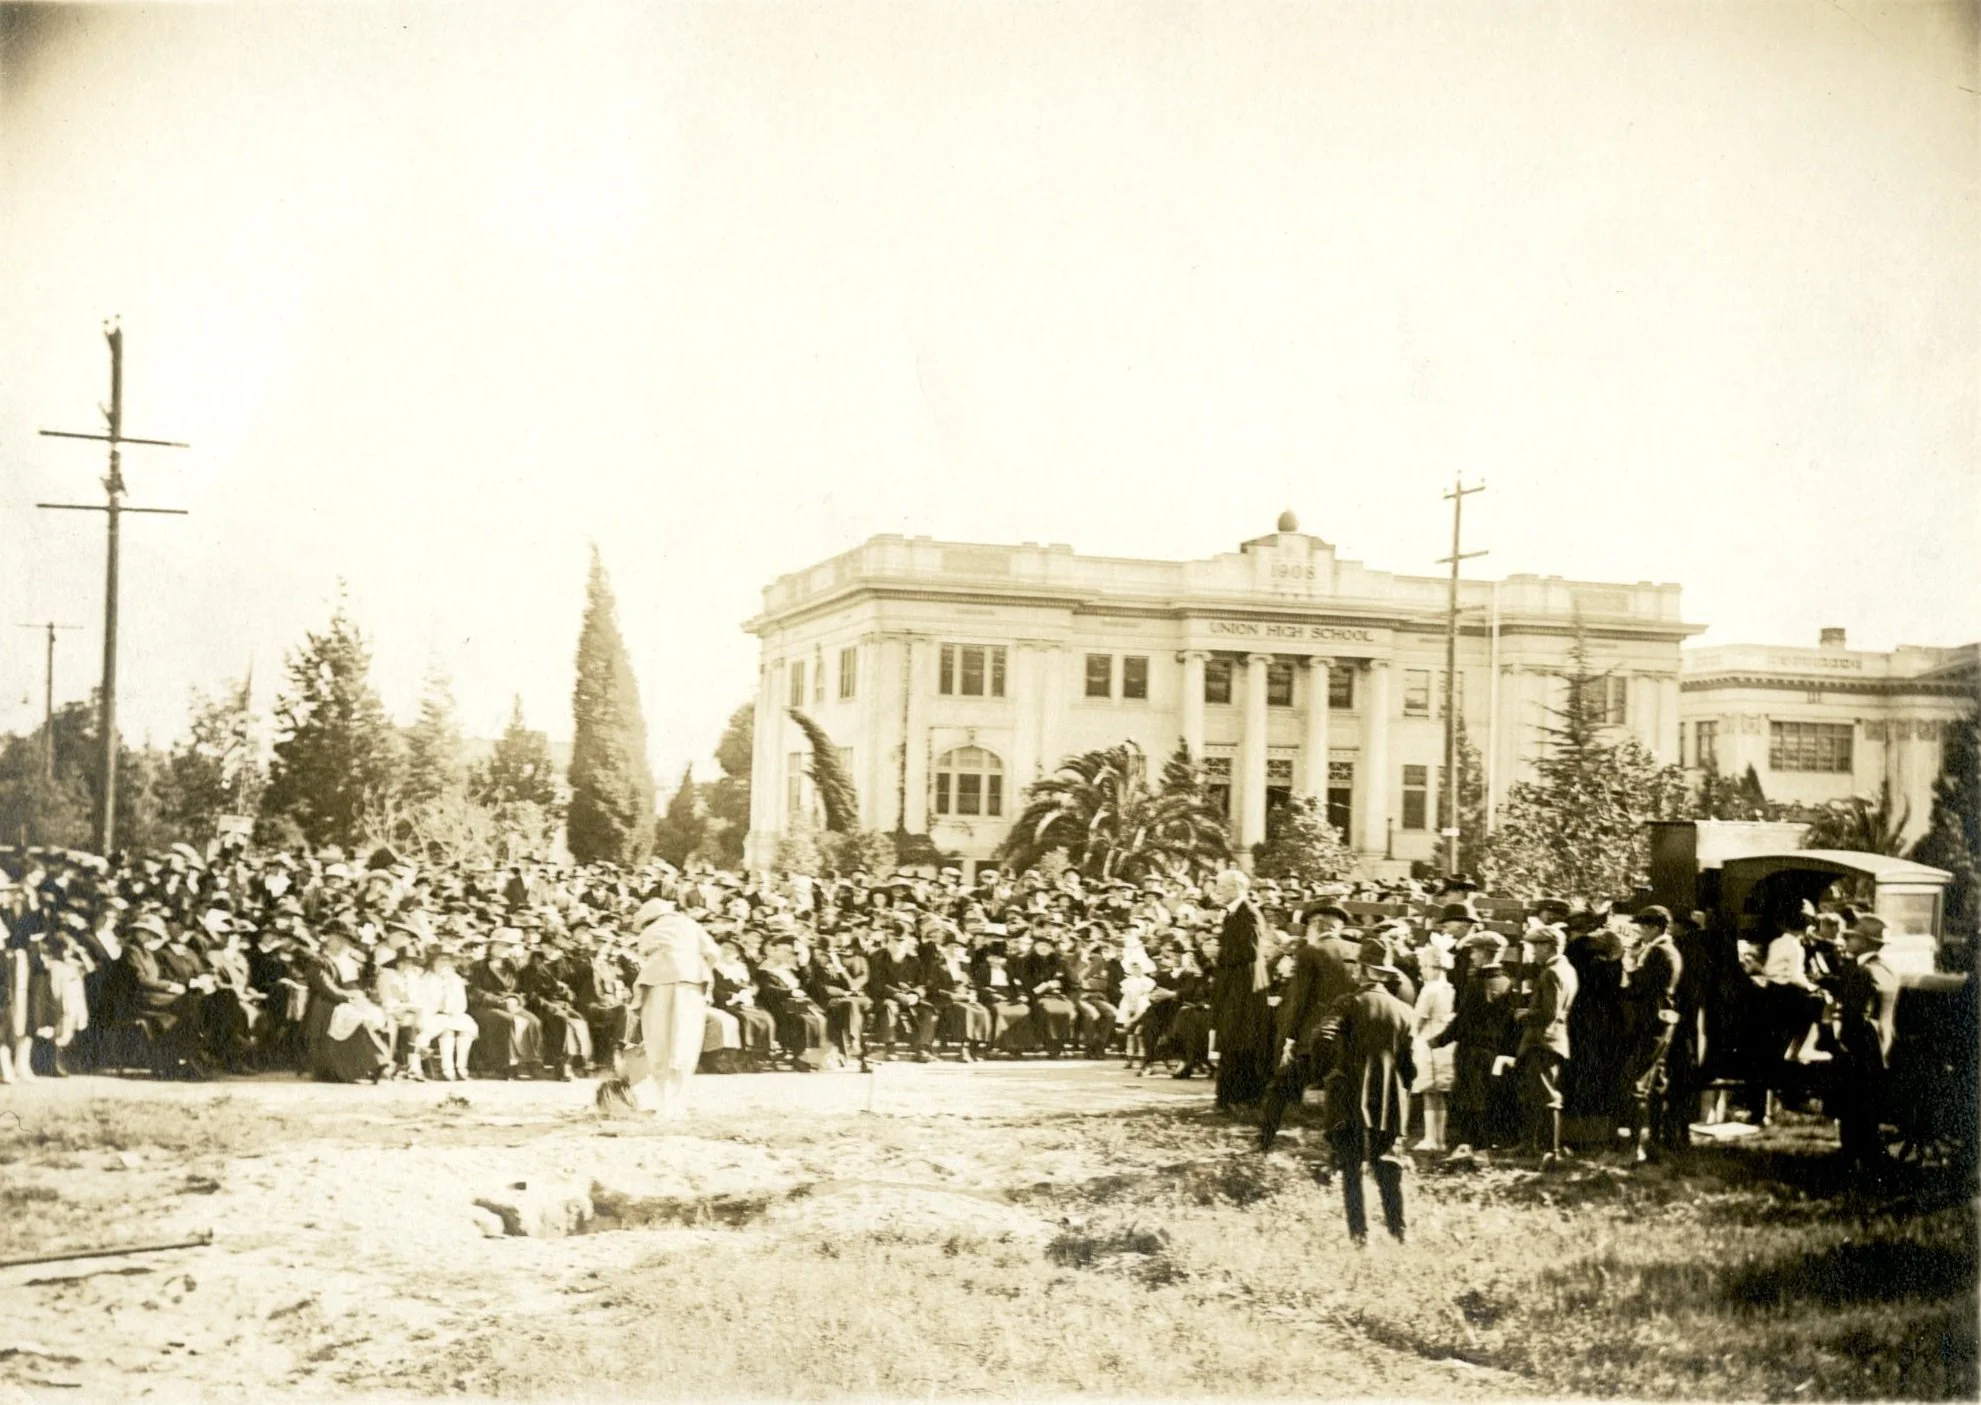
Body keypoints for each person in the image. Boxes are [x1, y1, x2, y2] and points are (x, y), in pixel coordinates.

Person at [1325, 937, 1417, 1246]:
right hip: (1390, 1098)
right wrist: (1402, 1085)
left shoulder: (1347, 1003)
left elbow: (1323, 1038)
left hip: (1349, 1094)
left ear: (1363, 970)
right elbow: (1410, 1065)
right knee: (1388, 1166)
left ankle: (1359, 1237)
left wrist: (1331, 1070)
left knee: (1351, 1168)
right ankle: (1398, 1233)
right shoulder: (1404, 1011)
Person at [1257, 904, 1358, 1152]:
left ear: (1315, 926)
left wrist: (1288, 1038)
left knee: (1279, 1087)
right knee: (1341, 1091)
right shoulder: (1357, 950)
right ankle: (1342, 1148)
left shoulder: (1310, 952)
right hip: (1351, 1035)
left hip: (1314, 1036)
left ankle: (1265, 1140)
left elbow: (1298, 1001)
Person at [629, 898, 722, 1119]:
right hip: (691, 980)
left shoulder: (650, 931)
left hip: (656, 979)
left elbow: (642, 952)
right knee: (685, 1041)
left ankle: (664, 1101)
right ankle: (677, 1102)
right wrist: (696, 964)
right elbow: (713, 953)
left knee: (658, 1039)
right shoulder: (690, 924)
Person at [1832, 915, 1901, 1172]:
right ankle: (1870, 1156)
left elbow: (1855, 1015)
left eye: (1852, 937)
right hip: (1881, 1045)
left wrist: (1840, 1043)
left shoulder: (1862, 972)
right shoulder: (1888, 969)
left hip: (1860, 1045)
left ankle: (1850, 1159)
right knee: (1867, 1104)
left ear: (1866, 942)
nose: (1847, 941)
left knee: (1851, 1104)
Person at [1621, 905, 1683, 1162]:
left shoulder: (1657, 952)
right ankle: (1656, 1142)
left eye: (1643, 927)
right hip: (1663, 1022)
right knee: (1656, 1084)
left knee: (1635, 1081)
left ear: (1655, 927)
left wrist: (1630, 965)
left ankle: (1635, 1147)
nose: (1640, 931)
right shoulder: (1670, 950)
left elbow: (1640, 988)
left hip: (1650, 1023)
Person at [1210, 870, 1274, 1109]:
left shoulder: (1249, 914)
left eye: (1221, 887)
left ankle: (1240, 1098)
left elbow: (1249, 951)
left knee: (1241, 1041)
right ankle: (1229, 1097)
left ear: (1236, 887)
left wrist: (1219, 953)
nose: (1218, 892)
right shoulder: (1233, 913)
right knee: (1232, 1039)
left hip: (1245, 988)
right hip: (1234, 985)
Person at [1517, 923, 1578, 1168]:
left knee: (1546, 1095)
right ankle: (1530, 1146)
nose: (1533, 951)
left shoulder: (1551, 972)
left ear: (1550, 946)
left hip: (1542, 1040)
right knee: (1535, 1093)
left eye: (1536, 945)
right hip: (1553, 1040)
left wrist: (1524, 1014)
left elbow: (1549, 1013)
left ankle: (1551, 1151)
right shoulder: (1567, 969)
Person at [1411, 945, 1457, 1152]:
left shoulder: (1429, 990)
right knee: (1440, 1093)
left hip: (1427, 1042)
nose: (1422, 971)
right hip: (1444, 1045)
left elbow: (1419, 1019)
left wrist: (1412, 1037)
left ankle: (1431, 1138)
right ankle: (1440, 1138)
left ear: (1434, 967)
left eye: (1424, 966)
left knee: (1429, 1092)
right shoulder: (1450, 989)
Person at [414, 948, 479, 1081]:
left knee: (466, 1029)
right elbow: (424, 1003)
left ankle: (461, 1067)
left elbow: (462, 1004)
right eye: (441, 959)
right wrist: (442, 1002)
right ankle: (448, 1069)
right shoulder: (426, 979)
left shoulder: (455, 979)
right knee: (447, 1030)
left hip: (452, 1014)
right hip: (431, 1015)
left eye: (448, 960)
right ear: (433, 962)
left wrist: (451, 1005)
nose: (445, 963)